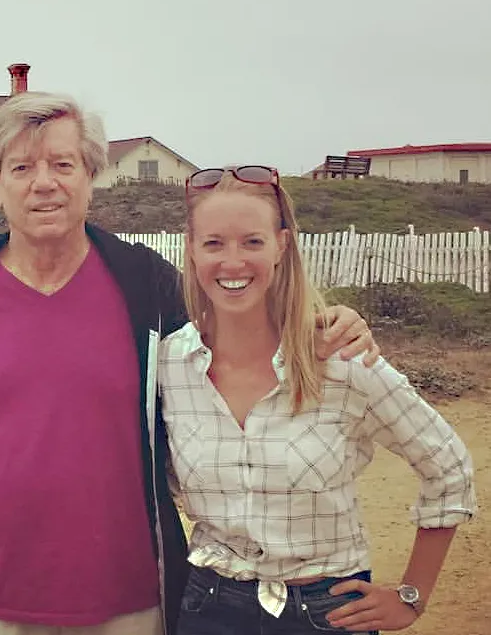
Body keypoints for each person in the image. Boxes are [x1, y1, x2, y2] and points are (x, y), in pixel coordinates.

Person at [0, 92, 379, 635]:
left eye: (63, 163)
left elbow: (243, 352)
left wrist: (318, 328)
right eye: (21, 166)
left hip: (133, 604)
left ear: (91, 175)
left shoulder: (147, 286)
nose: (44, 182)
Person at [158, 166, 477, 635]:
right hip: (210, 609)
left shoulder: (342, 360)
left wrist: (411, 596)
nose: (232, 261)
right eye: (213, 243)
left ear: (281, 247)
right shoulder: (168, 366)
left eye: (252, 242)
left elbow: (448, 466)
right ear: (191, 249)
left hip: (327, 613)